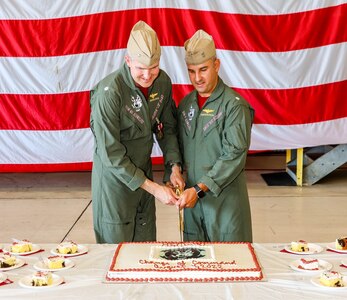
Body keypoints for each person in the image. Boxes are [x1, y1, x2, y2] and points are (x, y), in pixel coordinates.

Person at [90, 21, 184, 244]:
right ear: (128, 60)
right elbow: (111, 154)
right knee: (116, 255)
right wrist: (155, 189)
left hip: (144, 177)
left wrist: (174, 167)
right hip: (115, 185)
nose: (147, 75)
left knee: (146, 249)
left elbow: (168, 129)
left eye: (153, 67)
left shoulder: (162, 83)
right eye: (140, 68)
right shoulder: (109, 93)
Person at [176, 30, 254, 242]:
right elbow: (177, 147)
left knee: (230, 266)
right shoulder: (185, 105)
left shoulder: (234, 106)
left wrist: (200, 189)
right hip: (192, 208)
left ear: (216, 65)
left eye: (203, 69)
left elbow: (234, 155)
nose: (197, 78)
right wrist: (173, 172)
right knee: (193, 267)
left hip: (225, 206)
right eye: (191, 71)